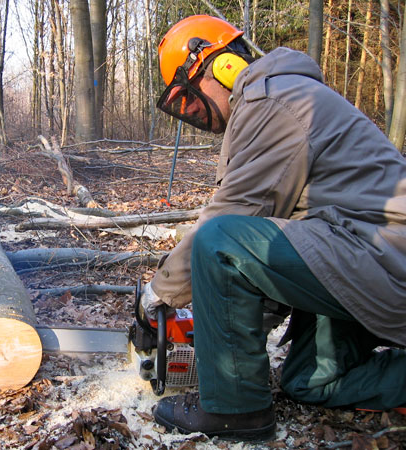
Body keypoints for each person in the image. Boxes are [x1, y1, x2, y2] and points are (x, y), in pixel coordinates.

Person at [141, 14, 406, 442]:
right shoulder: (273, 101)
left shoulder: (275, 99)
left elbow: (238, 220)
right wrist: (220, 318)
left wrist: (158, 294)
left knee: (219, 238)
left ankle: (234, 411)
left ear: (222, 68)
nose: (191, 111)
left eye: (190, 97)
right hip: (357, 256)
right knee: (308, 382)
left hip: (386, 260)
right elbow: (281, 248)